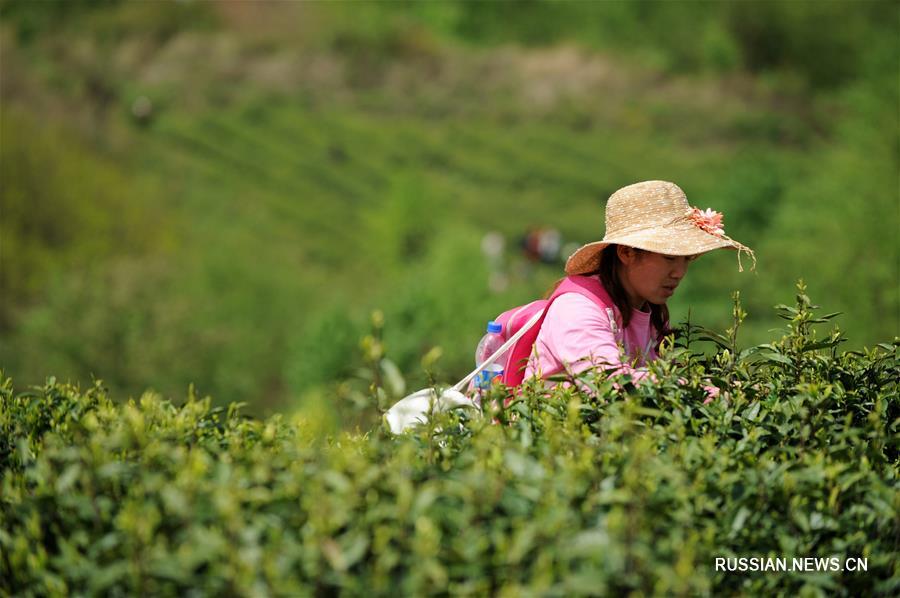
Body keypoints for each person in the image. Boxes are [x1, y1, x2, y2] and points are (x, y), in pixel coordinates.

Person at [522, 180, 755, 398]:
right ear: (626, 253)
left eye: (687, 259)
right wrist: (709, 392)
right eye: (669, 258)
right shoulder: (578, 308)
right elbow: (608, 384)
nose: (679, 272)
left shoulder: (649, 311)